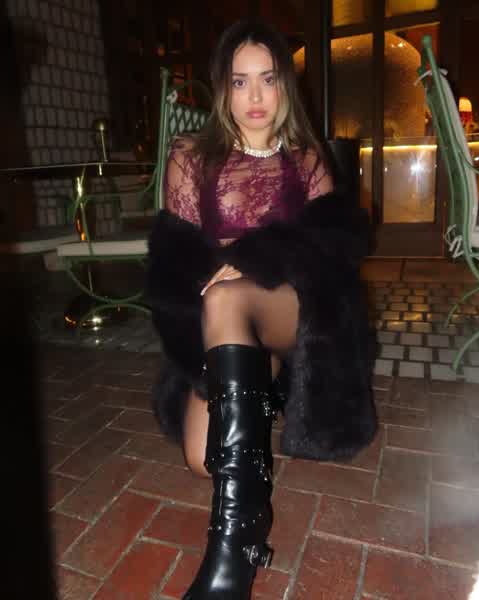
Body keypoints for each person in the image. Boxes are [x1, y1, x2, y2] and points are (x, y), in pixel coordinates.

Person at [147, 18, 377, 600]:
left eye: (268, 79)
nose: (255, 96)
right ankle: (253, 389)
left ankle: (234, 558)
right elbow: (170, 272)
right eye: (240, 81)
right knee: (203, 459)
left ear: (284, 87)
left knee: (228, 292)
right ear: (223, 89)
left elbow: (335, 252)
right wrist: (201, 350)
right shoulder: (190, 158)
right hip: (221, 324)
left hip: (290, 313)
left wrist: (256, 259)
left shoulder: (305, 159)